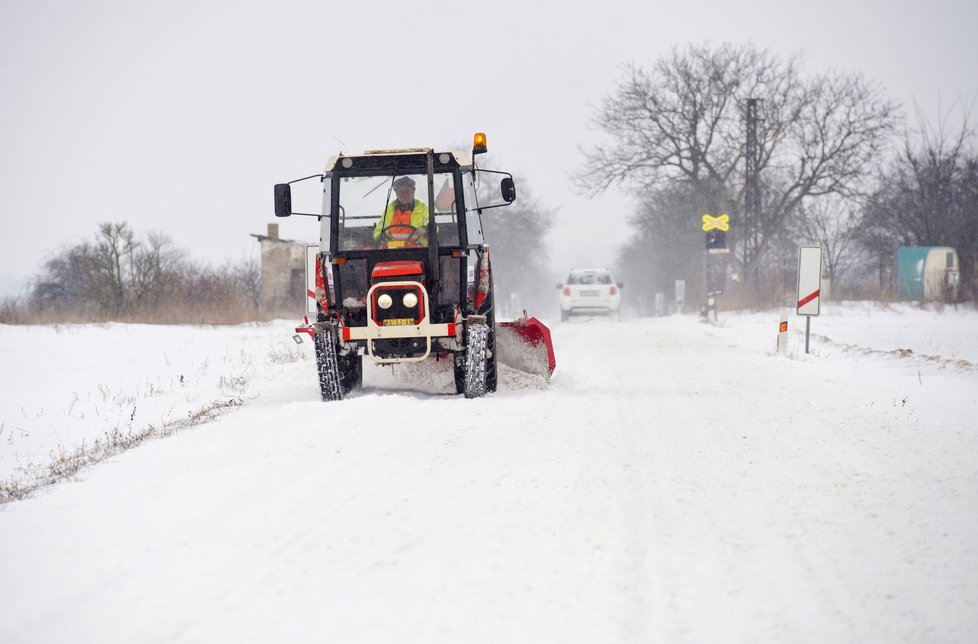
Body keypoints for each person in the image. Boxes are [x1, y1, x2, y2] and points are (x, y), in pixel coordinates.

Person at [373, 176, 429, 247]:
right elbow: (378, 231)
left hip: (417, 251)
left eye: (407, 191)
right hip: (391, 251)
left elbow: (434, 229)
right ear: (396, 193)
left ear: (413, 191)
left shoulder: (423, 209)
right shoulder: (389, 210)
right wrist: (381, 237)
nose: (404, 194)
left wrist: (425, 230)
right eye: (401, 192)